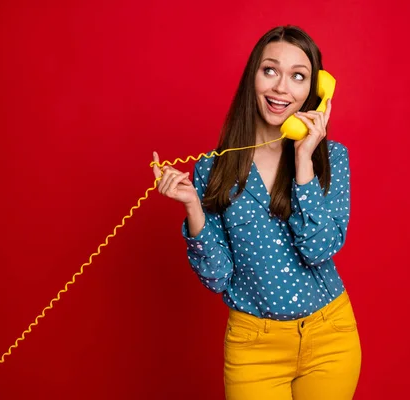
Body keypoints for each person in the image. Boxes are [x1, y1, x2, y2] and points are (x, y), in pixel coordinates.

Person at [152, 25, 361, 400]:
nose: (282, 88)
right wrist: (193, 207)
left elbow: (320, 249)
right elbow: (218, 278)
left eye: (298, 76)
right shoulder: (211, 170)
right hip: (254, 347)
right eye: (271, 71)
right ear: (253, 77)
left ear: (315, 91)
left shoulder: (332, 159)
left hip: (330, 336)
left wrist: (303, 161)